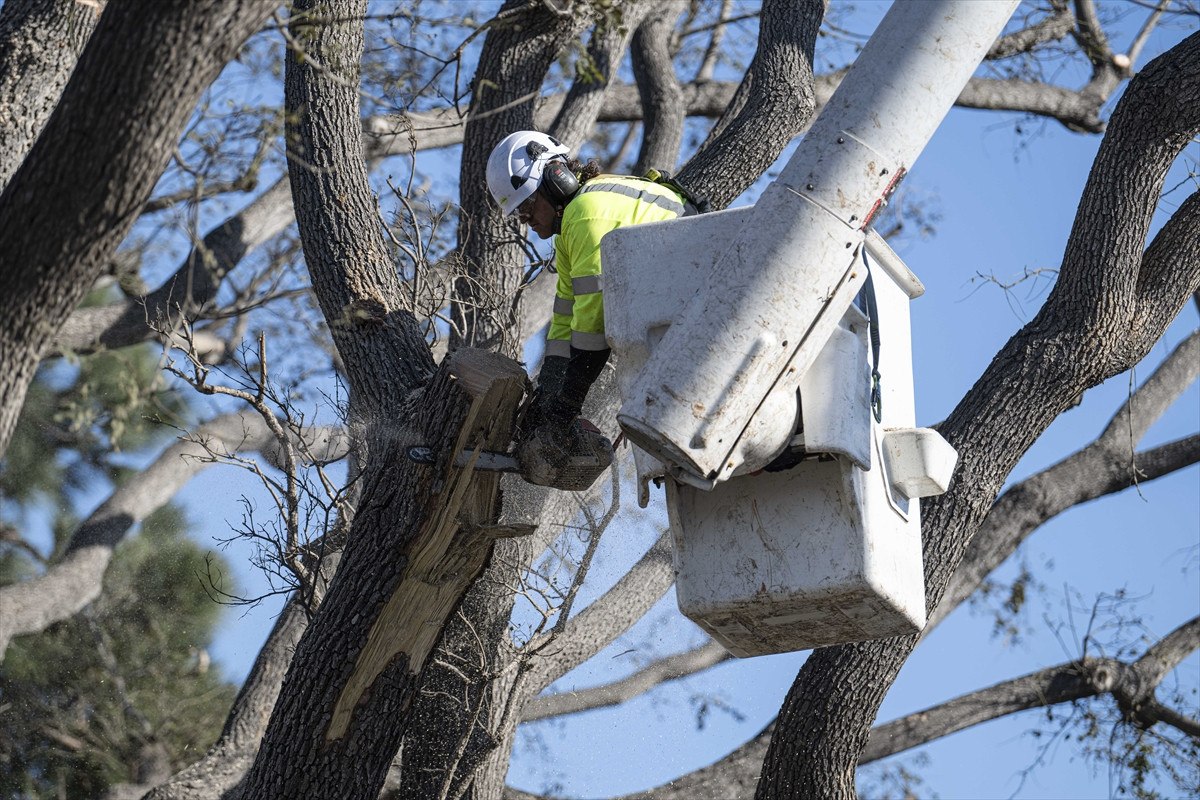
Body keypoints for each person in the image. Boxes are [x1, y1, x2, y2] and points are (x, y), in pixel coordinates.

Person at [485, 131, 699, 484]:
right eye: (519, 216)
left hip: (690, 307)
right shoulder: (576, 223)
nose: (528, 222)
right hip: (674, 311)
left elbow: (594, 321)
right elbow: (566, 315)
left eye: (526, 207)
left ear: (555, 180)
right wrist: (549, 389)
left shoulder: (586, 214)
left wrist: (568, 405)